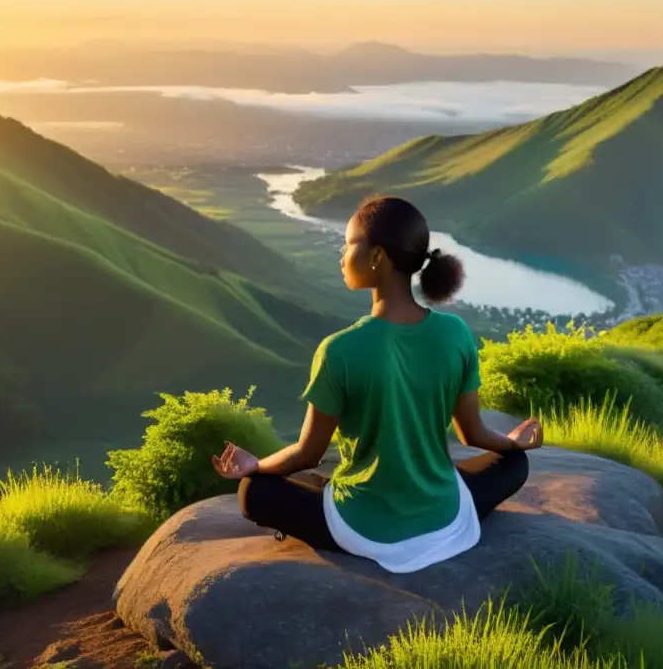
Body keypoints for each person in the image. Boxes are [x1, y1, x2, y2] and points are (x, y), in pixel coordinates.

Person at [212, 195, 543, 574]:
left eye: (349, 244)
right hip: (445, 518)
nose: (342, 255)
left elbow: (307, 455)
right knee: (513, 463)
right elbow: (474, 434)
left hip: (366, 530)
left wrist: (255, 465)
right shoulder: (456, 332)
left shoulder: (339, 350)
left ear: (377, 257)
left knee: (254, 491)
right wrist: (513, 443)